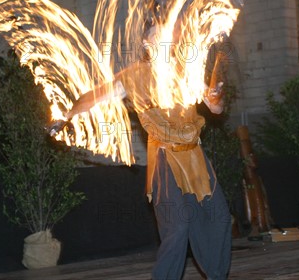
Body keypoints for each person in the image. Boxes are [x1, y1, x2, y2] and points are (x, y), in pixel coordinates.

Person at [53, 26, 232, 280]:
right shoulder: (133, 77)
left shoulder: (185, 71)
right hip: (165, 158)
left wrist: (216, 97)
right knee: (177, 226)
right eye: (157, 35)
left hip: (195, 158)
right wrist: (67, 115)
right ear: (147, 44)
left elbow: (215, 108)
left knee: (220, 218)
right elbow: (94, 96)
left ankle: (217, 276)